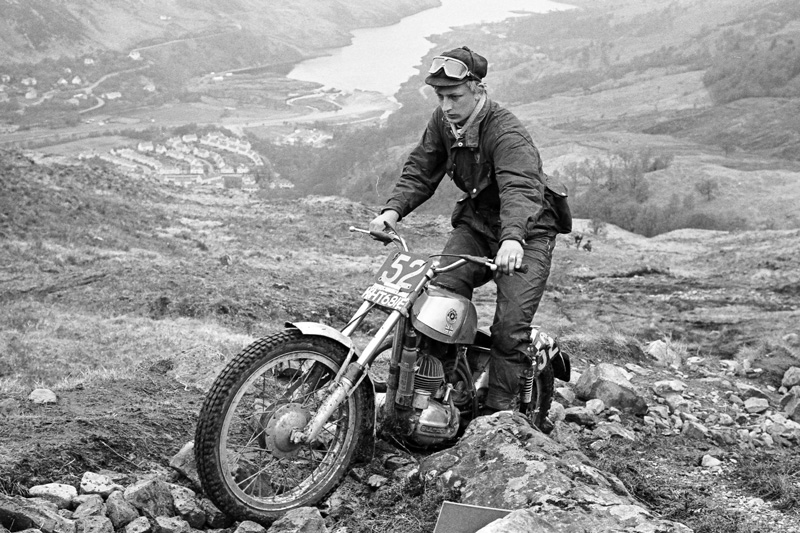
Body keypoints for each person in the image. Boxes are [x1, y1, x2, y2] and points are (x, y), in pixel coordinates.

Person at [369, 46, 568, 414]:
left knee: (509, 329)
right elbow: (421, 167)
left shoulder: (507, 134)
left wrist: (512, 239)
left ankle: (500, 419)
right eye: (440, 96)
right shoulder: (444, 122)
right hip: (477, 224)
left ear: (479, 89)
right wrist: (392, 212)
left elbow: (520, 189)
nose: (445, 105)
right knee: (438, 301)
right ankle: (436, 397)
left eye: (454, 96)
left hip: (528, 233)